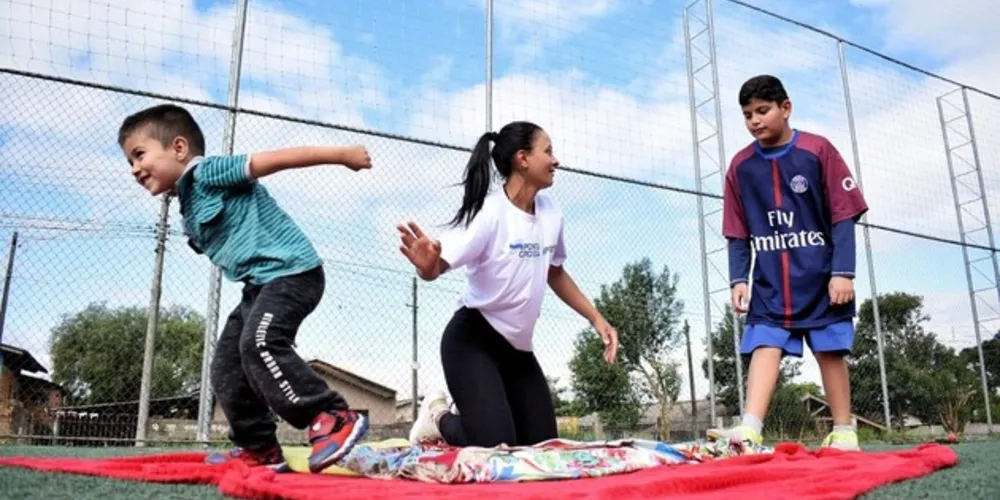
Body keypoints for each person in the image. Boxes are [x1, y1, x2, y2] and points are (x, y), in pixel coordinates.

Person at [118, 104, 372, 472]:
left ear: (178, 148)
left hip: (293, 273)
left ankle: (332, 416)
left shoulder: (208, 172)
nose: (134, 169)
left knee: (260, 342)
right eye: (130, 161)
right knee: (226, 366)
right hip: (259, 286)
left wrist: (342, 155)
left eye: (140, 155)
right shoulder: (187, 202)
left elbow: (276, 159)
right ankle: (260, 447)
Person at [395, 121, 620, 448]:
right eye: (548, 151)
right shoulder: (489, 213)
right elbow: (435, 267)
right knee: (496, 446)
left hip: (518, 351)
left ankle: (476, 416)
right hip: (472, 341)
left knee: (542, 448)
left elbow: (555, 271)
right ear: (522, 159)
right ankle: (438, 417)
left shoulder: (551, 213)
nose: (555, 160)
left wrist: (596, 318)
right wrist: (427, 265)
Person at [710, 75, 868, 451]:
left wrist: (843, 272)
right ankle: (749, 430)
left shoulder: (818, 150)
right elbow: (737, 230)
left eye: (762, 110)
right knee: (764, 343)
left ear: (786, 108)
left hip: (821, 278)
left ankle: (844, 431)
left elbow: (843, 215)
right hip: (770, 281)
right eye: (747, 114)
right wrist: (738, 278)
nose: (754, 120)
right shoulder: (741, 166)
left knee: (829, 349)